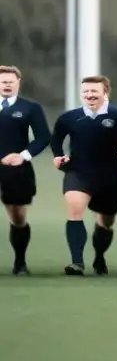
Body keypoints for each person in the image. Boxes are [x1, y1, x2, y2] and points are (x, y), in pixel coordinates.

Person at [50, 75, 117, 276]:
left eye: (94, 91)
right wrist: (58, 157)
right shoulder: (69, 117)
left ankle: (99, 257)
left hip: (110, 177)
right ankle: (76, 262)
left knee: (106, 222)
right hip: (78, 172)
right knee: (75, 209)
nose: (89, 95)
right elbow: (56, 140)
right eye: (85, 91)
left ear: (105, 93)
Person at [0, 65, 51, 275]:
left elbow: (43, 137)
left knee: (18, 215)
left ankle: (20, 263)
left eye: (11, 81)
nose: (7, 84)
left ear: (18, 82)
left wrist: (22, 156)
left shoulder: (31, 107)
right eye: (3, 81)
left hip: (16, 168)